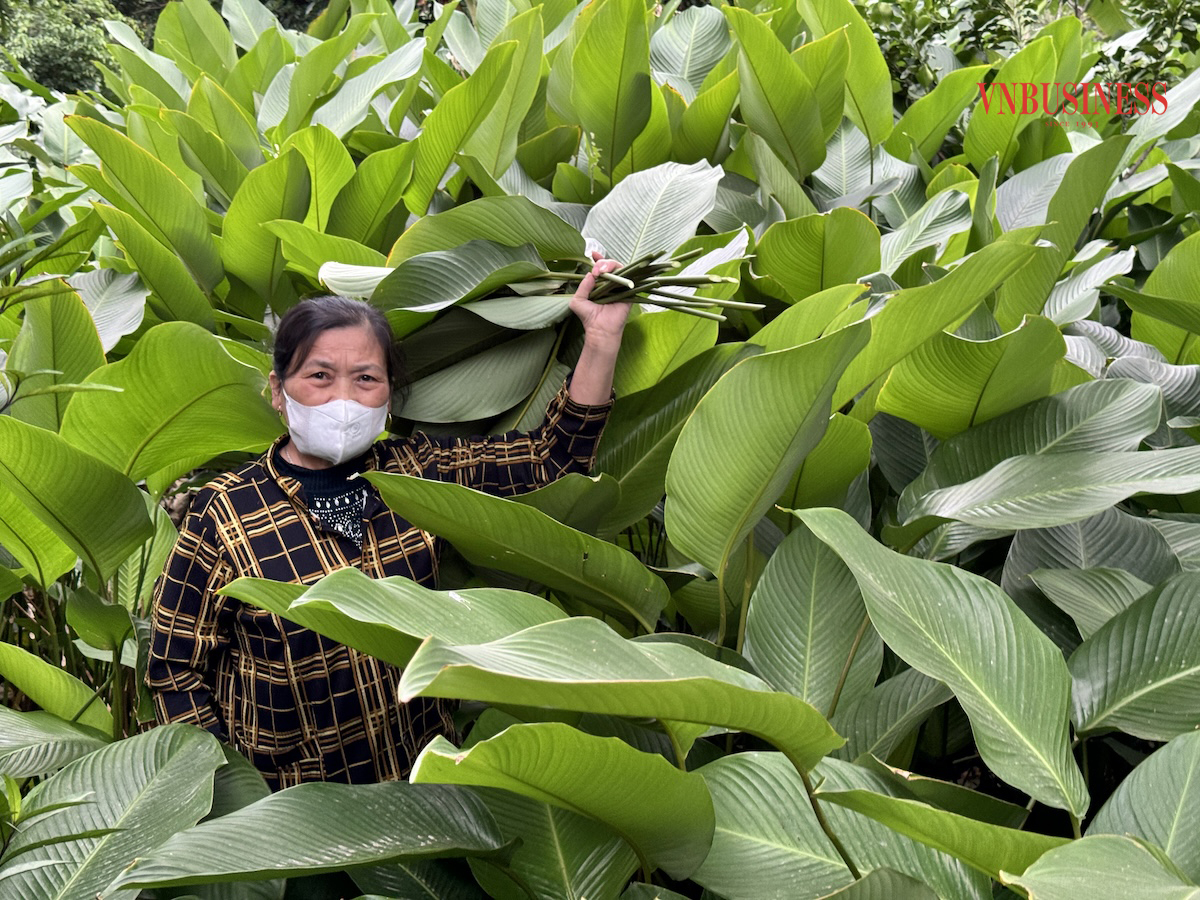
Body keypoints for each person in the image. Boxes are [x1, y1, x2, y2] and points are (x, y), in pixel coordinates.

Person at [147, 256, 629, 790]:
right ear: (278, 392)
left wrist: (602, 337)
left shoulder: (418, 474)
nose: (344, 400)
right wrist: (228, 795)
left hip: (419, 783)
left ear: (390, 394)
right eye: (320, 377)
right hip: (293, 808)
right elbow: (174, 667)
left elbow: (550, 461)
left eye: (367, 379)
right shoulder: (227, 513)